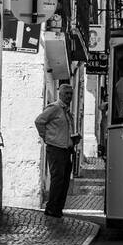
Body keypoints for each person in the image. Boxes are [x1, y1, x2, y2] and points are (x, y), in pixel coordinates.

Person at [35, 81, 80, 216]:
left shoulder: (67, 111)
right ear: (60, 94)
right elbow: (39, 121)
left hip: (66, 150)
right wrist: (47, 137)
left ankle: (58, 209)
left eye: (71, 94)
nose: (69, 96)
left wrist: (73, 139)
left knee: (65, 180)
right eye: (66, 93)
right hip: (56, 149)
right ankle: (51, 208)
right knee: (58, 179)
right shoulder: (55, 108)